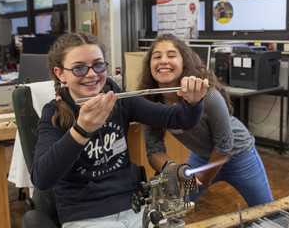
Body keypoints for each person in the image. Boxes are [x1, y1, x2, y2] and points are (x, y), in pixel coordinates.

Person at [30, 32, 209, 228]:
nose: (91, 74)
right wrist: (81, 131)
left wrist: (193, 101)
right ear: (60, 73)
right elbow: (42, 178)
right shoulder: (55, 113)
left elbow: (181, 119)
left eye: (98, 64)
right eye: (79, 68)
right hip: (85, 217)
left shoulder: (119, 99)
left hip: (135, 209)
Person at [138, 34, 274, 208]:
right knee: (172, 207)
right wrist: (175, 170)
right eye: (157, 56)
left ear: (184, 62)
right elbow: (153, 149)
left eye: (171, 55)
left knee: (266, 210)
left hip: (239, 155)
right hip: (201, 158)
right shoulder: (150, 103)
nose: (164, 60)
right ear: (149, 65)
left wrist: (205, 178)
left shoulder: (208, 95)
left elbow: (224, 145)